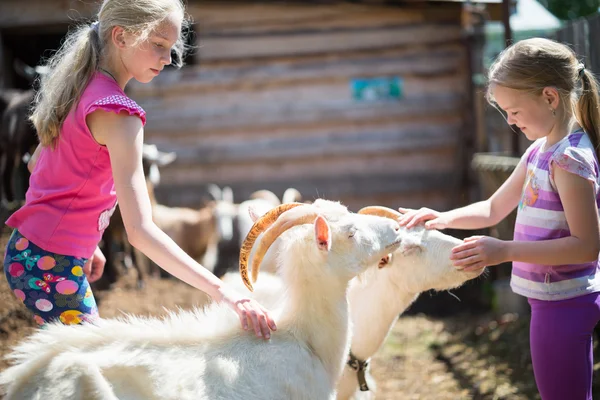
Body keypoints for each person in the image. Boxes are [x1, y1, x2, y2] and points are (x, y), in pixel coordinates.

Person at [2, 0, 277, 340]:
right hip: (51, 266)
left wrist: (84, 241)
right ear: (120, 37)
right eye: (159, 46)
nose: (168, 59)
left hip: (28, 253)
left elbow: (39, 166)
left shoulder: (80, 87)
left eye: (172, 47)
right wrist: (223, 291)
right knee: (89, 371)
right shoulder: (119, 114)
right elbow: (141, 231)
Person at [398, 38, 600, 400]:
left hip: (565, 303)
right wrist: (442, 218)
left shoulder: (569, 160)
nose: (509, 121)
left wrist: (503, 250)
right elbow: (493, 208)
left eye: (514, 111)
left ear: (550, 98)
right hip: (552, 301)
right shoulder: (539, 151)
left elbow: (586, 246)